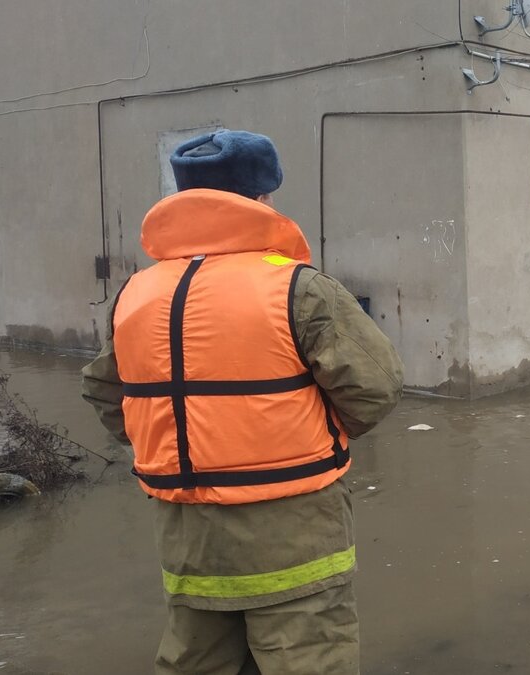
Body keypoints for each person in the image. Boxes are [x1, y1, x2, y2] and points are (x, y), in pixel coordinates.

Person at [81, 129, 404, 674]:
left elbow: (105, 391)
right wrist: (304, 431)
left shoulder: (135, 294)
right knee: (309, 660)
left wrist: (178, 446)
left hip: (187, 539)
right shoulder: (299, 287)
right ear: (261, 198)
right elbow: (377, 387)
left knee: (196, 661)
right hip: (296, 533)